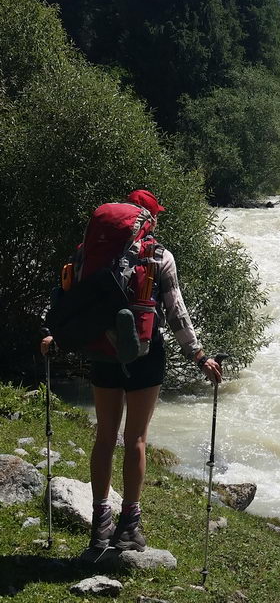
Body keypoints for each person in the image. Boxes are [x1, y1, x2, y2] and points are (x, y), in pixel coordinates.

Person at [41, 188, 222, 554]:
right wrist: (199, 356)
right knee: (136, 439)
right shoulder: (159, 255)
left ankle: (100, 523)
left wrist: (52, 334)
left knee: (105, 437)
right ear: (148, 219)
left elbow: (69, 299)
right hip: (145, 352)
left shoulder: (86, 251)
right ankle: (129, 525)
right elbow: (176, 312)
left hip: (101, 351)